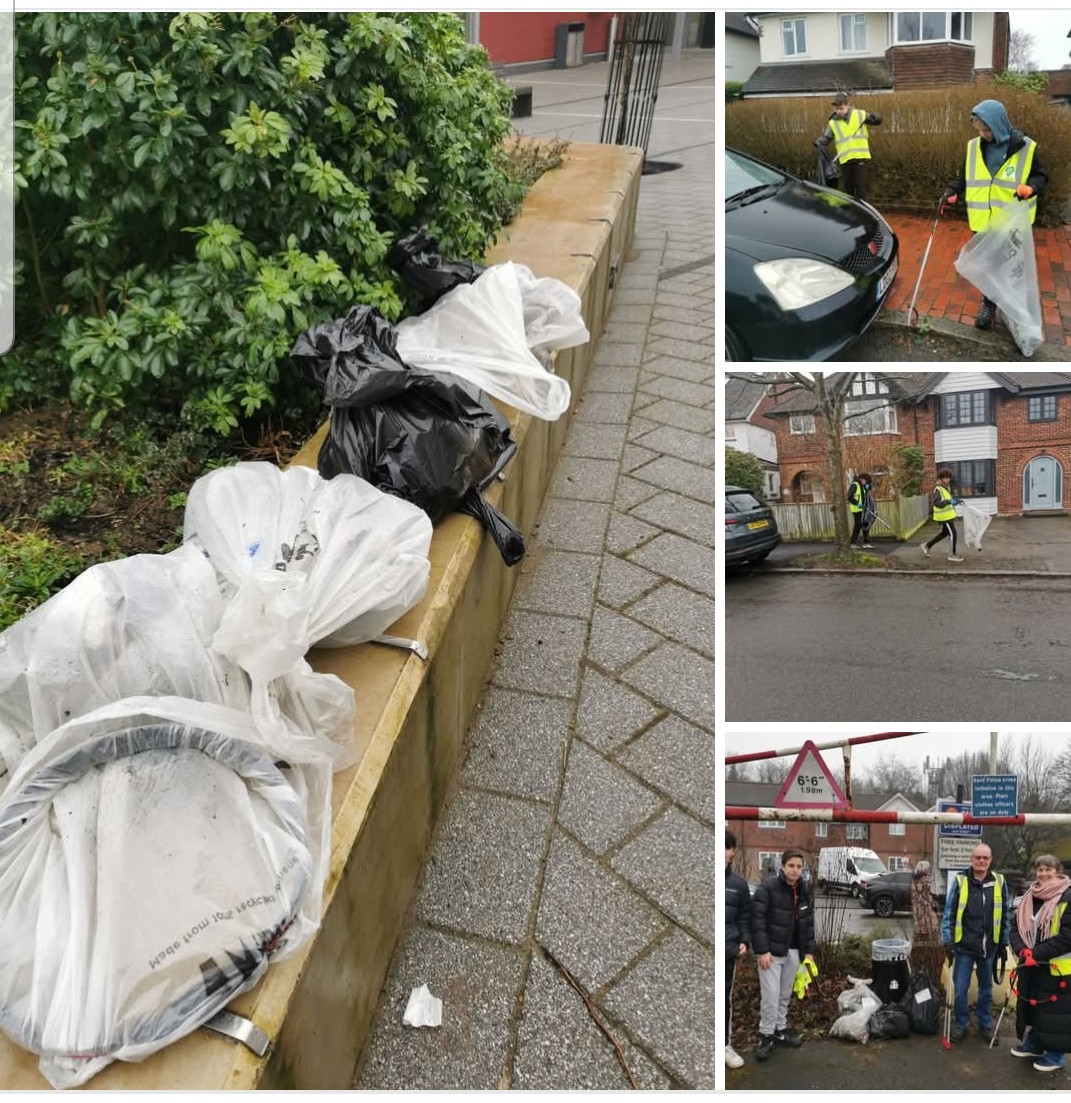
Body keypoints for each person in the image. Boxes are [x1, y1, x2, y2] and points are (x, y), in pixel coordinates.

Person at [940, 98, 1049, 330]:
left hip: (1010, 223)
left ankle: (1007, 307)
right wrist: (951, 191)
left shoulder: (1025, 147)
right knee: (988, 266)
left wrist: (1031, 187)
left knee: (1008, 267)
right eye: (979, 130)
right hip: (982, 223)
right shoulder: (973, 147)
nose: (983, 134)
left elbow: (1041, 175)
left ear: (1000, 124)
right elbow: (964, 176)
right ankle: (989, 305)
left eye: (987, 129)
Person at [751, 848, 816, 1060]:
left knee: (785, 993)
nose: (795, 870)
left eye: (799, 867)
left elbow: (808, 924)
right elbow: (757, 920)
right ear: (782, 866)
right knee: (770, 995)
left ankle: (780, 1030)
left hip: (794, 951)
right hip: (772, 952)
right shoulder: (768, 888)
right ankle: (766, 1035)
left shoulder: (805, 889)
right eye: (791, 866)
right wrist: (762, 950)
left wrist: (809, 952)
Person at [941, 844, 1010, 1043]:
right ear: (972, 859)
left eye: (985, 857)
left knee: (986, 990)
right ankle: (961, 1023)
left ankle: (985, 1024)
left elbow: (1005, 914)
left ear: (990, 859)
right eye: (978, 857)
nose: (981, 861)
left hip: (989, 948)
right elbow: (949, 913)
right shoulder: (961, 881)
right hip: (964, 947)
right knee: (961, 990)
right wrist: (948, 940)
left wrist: (1003, 943)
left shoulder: (999, 881)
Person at [1008, 854, 1071, 1073]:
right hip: (1031, 965)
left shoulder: (1067, 896)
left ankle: (1055, 1056)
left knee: (1057, 1015)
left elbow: (1068, 936)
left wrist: (1037, 953)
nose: (1043, 874)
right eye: (1040, 869)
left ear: (1058, 871)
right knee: (1035, 1008)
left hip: (1058, 969)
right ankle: (1035, 1043)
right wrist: (1021, 950)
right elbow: (1015, 928)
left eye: (1048, 870)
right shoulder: (1029, 896)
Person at [814, 91, 882, 200]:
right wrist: (819, 142)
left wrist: (877, 118)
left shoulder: (859, 114)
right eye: (836, 109)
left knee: (860, 187)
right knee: (848, 188)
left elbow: (875, 120)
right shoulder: (833, 122)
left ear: (847, 105)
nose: (838, 111)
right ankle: (850, 211)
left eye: (841, 108)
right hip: (845, 159)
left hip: (860, 156)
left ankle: (862, 212)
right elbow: (827, 137)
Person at [725, 830, 752, 1070]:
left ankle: (725, 1045)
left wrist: (744, 940)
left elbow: (745, 916)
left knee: (725, 998)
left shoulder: (739, 885)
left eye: (726, 848)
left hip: (728, 949)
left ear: (732, 852)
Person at [920, 468, 964, 563]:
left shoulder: (946, 487)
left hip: (947, 516)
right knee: (953, 533)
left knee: (944, 533)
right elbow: (936, 503)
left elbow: (947, 500)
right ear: (940, 478)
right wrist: (949, 502)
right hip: (944, 517)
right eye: (945, 478)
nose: (948, 479)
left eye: (949, 478)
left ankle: (927, 545)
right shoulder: (938, 489)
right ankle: (952, 554)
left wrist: (955, 501)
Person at [911, 860, 942, 978]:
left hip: (918, 914)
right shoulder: (927, 880)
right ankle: (929, 963)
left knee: (919, 940)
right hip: (927, 913)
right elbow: (933, 893)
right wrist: (934, 901)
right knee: (931, 938)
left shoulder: (914, 880)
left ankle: (919, 964)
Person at [847, 472, 875, 549]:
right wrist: (857, 503)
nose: (865, 483)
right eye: (866, 481)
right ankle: (852, 542)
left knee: (865, 523)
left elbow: (866, 496)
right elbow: (849, 496)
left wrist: (868, 487)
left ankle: (866, 541)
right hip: (856, 509)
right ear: (862, 479)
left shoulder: (862, 486)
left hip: (864, 509)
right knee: (858, 525)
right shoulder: (855, 485)